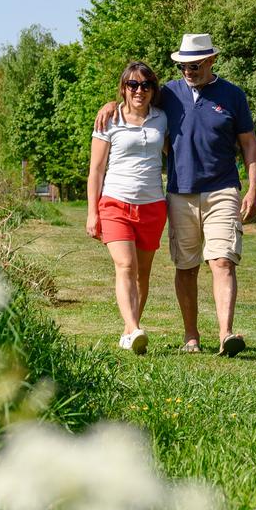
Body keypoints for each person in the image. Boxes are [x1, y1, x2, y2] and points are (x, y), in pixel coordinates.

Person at [95, 33, 256, 356]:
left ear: (211, 61)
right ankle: (191, 337)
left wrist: (253, 188)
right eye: (183, 65)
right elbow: (135, 99)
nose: (188, 70)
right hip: (179, 193)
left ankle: (226, 334)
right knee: (185, 267)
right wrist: (112, 103)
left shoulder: (232, 95)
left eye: (195, 65)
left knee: (223, 261)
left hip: (222, 189)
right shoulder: (169, 93)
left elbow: (250, 144)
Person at [85, 61, 168, 355]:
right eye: (132, 85)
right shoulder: (109, 120)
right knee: (125, 265)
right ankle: (134, 328)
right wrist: (93, 212)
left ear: (153, 90)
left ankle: (128, 331)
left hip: (153, 206)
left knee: (143, 272)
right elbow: (96, 169)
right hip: (115, 203)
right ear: (123, 88)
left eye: (145, 85)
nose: (139, 90)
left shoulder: (162, 118)